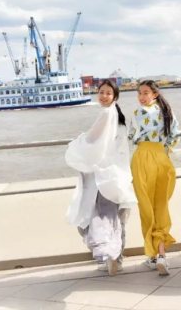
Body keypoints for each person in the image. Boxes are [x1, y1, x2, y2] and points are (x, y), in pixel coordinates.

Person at [65, 79, 137, 275]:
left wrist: (76, 143)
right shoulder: (118, 118)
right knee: (116, 217)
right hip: (117, 175)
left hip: (103, 176)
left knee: (96, 216)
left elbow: (91, 140)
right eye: (101, 92)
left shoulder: (106, 114)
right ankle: (116, 260)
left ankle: (108, 255)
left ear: (115, 96)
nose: (104, 96)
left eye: (108, 93)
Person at [129, 80, 181, 276]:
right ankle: (161, 255)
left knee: (146, 207)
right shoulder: (167, 112)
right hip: (162, 159)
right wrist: (164, 151)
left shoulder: (138, 112)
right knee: (161, 206)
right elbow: (175, 136)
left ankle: (152, 255)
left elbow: (131, 137)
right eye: (139, 93)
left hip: (142, 158)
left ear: (155, 94)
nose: (141, 97)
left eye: (145, 93)